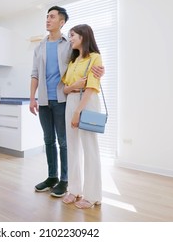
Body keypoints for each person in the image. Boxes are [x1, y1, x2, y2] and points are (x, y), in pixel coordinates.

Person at [30, 6, 103, 198]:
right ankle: (52, 177)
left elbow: (88, 58)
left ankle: (65, 180)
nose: (47, 20)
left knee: (64, 142)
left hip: (64, 100)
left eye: (52, 17)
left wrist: (100, 71)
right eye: (46, 16)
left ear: (61, 22)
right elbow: (35, 74)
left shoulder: (69, 44)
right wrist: (32, 98)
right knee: (48, 140)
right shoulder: (39, 47)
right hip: (45, 100)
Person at [61, 24, 103, 209]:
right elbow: (65, 88)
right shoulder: (72, 61)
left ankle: (93, 195)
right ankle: (74, 189)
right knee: (72, 147)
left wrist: (78, 111)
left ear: (83, 37)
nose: (70, 39)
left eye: (72, 36)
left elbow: (92, 87)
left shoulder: (95, 58)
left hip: (87, 102)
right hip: (70, 100)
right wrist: (74, 85)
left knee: (89, 148)